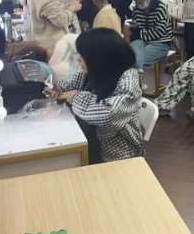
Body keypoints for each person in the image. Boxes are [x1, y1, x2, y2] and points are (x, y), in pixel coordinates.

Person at [56, 28, 144, 163]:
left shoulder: (129, 80)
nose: (78, 59)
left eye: (82, 55)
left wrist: (75, 97)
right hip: (90, 144)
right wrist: (57, 88)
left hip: (117, 156)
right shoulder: (96, 71)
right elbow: (70, 84)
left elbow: (109, 114)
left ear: (99, 58)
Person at [129, 0, 173, 71]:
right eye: (136, 1)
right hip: (142, 41)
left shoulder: (160, 8)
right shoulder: (136, 9)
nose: (138, 4)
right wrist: (133, 27)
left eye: (140, 1)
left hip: (160, 43)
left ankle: (136, 78)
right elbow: (136, 28)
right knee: (128, 57)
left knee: (136, 60)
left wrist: (140, 34)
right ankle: (135, 76)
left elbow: (159, 32)